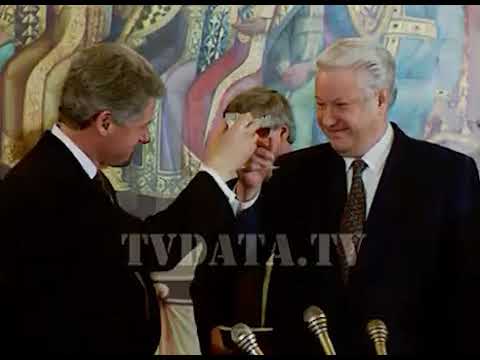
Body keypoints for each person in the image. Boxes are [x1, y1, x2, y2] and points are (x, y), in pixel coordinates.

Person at [0, 42, 261, 354]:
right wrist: (217, 170)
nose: (146, 137)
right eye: (143, 125)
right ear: (105, 122)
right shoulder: (47, 185)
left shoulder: (68, 170)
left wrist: (226, 179)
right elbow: (150, 247)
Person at [234, 38, 480, 355]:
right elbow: (244, 255)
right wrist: (249, 194)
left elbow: (469, 294)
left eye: (341, 105)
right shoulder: (291, 172)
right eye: (320, 104)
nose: (326, 119)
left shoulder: (449, 175)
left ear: (381, 99)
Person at [190, 86, 296, 355]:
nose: (248, 143)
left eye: (258, 131)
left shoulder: (307, 188)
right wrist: (211, 326)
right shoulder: (219, 187)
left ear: (281, 133)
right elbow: (208, 270)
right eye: (236, 131)